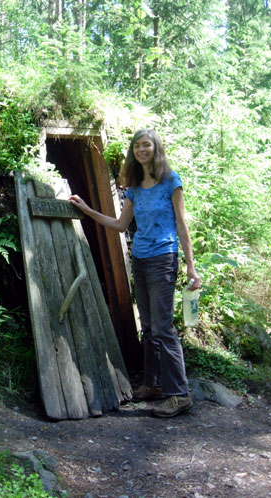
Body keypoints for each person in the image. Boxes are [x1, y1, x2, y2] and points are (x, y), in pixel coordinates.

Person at [70, 129, 201, 418]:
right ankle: (153, 385)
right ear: (133, 152)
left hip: (164, 258)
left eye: (147, 145)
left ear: (156, 149)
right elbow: (119, 225)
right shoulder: (134, 188)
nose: (142, 150)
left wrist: (190, 265)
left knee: (164, 327)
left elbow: (181, 225)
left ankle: (180, 394)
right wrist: (87, 210)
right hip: (140, 260)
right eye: (137, 146)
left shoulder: (171, 182)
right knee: (150, 327)